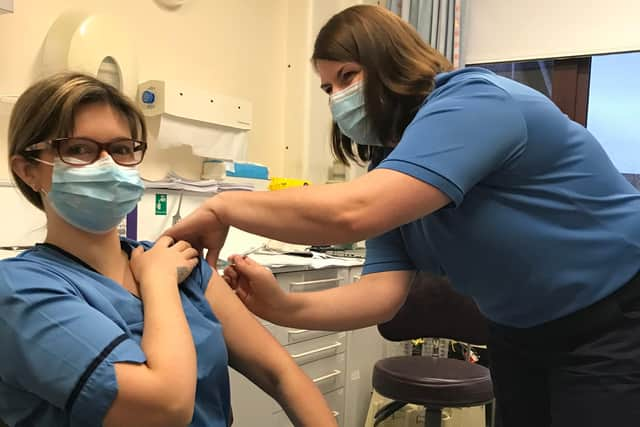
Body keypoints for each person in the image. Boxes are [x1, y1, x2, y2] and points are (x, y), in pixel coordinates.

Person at [164, 5, 640, 427]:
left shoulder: (476, 101)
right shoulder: (393, 166)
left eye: (348, 76)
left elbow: (354, 212)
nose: (336, 98)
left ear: (392, 59)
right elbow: (381, 295)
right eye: (328, 86)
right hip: (521, 333)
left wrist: (225, 204)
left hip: (616, 316)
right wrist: (284, 309)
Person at [0, 72, 338, 427]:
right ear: (28, 171)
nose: (108, 165)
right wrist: (159, 282)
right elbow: (163, 410)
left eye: (121, 149)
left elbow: (280, 374)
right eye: (79, 149)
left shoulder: (182, 263)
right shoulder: (20, 291)